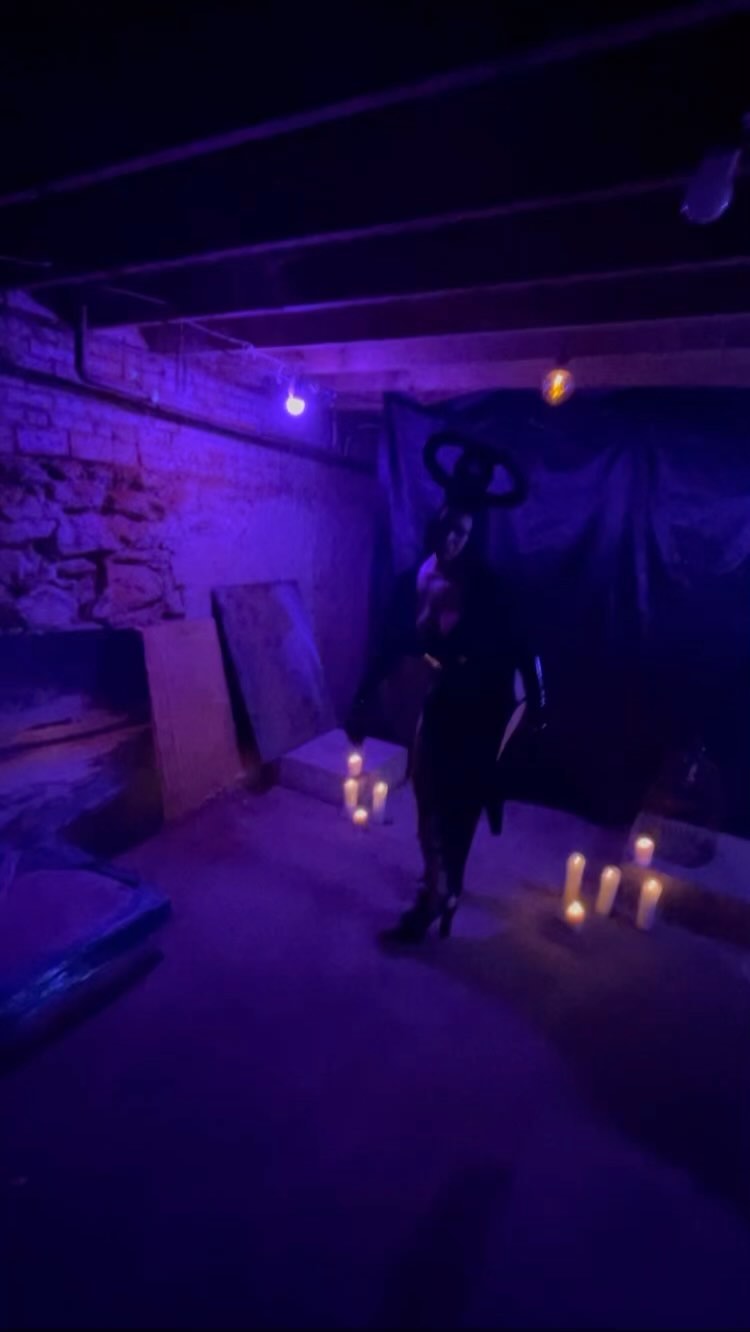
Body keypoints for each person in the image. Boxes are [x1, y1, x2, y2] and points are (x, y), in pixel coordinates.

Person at [347, 500, 545, 942]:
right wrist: (361, 698)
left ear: (471, 538)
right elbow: (390, 642)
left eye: (461, 532)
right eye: (446, 528)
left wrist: (538, 704)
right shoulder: (413, 580)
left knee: (459, 799)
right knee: (429, 793)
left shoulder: (488, 587)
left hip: (482, 702)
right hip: (441, 696)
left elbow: (523, 645)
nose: (451, 539)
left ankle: (440, 891)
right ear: (432, 527)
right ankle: (443, 884)